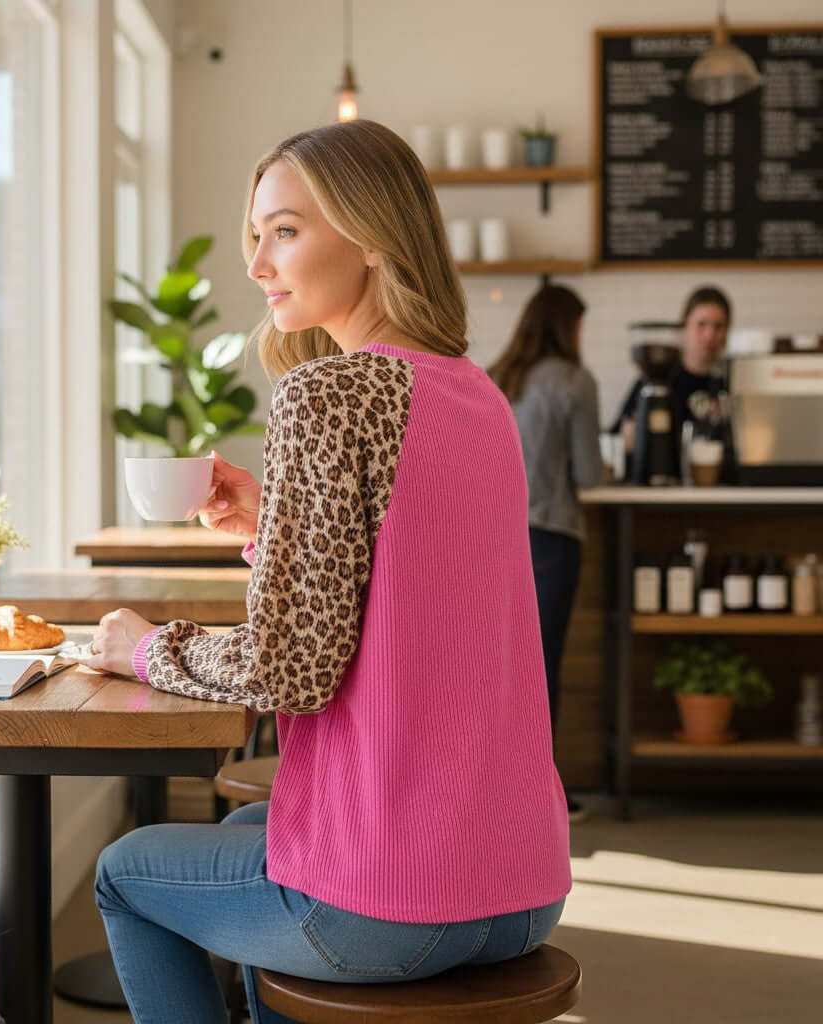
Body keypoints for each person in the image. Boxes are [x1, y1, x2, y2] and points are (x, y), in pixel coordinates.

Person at [83, 120, 570, 1024]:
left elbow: (291, 667)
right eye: (256, 236)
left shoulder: (329, 392)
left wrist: (148, 652)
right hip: (523, 885)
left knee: (122, 874)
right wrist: (274, 519)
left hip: (392, 903)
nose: (260, 264)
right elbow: (411, 584)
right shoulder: (477, 395)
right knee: (243, 833)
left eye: (286, 231)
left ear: (372, 235)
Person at [488, 285, 603, 824]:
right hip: (552, 538)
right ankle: (539, 800)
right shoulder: (576, 383)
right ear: (568, 327)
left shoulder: (494, 377)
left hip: (490, 539)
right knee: (542, 665)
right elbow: (588, 473)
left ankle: (497, 795)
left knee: (495, 667)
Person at [612, 285, 732, 449]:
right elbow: (615, 435)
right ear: (685, 326)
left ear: (726, 332)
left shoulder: (731, 380)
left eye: (718, 326)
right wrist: (628, 437)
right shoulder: (657, 378)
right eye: (701, 324)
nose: (709, 335)